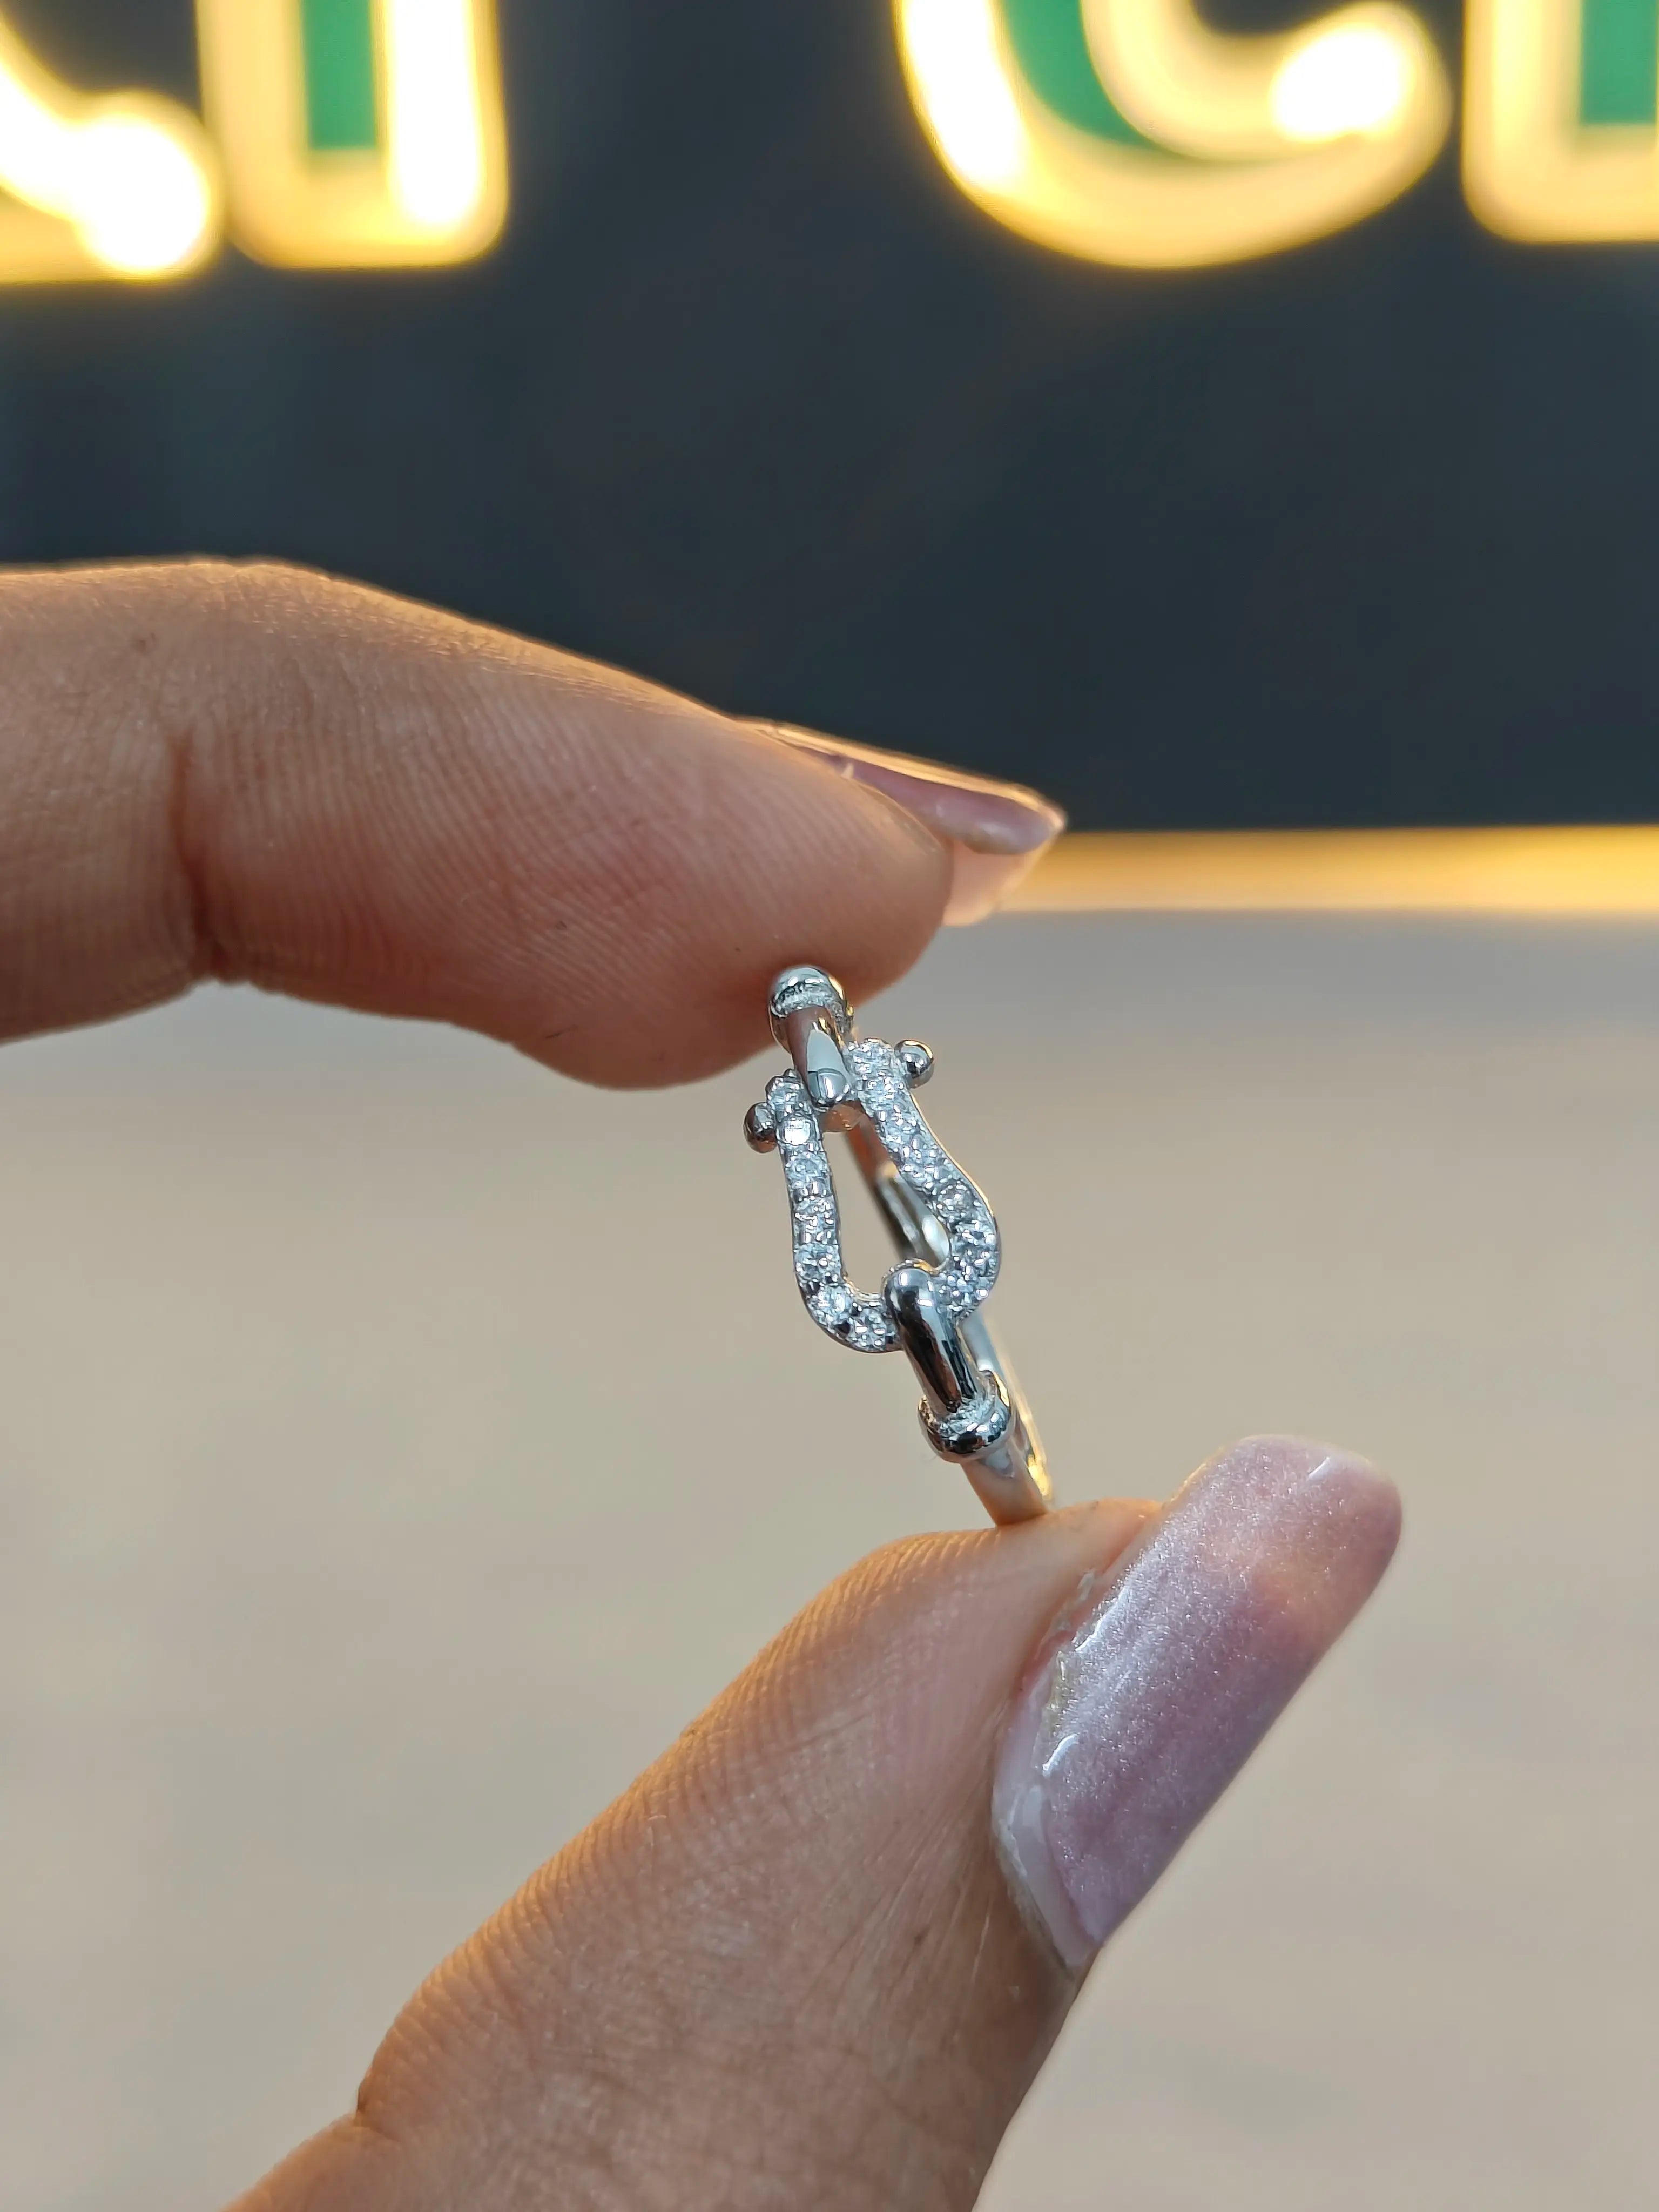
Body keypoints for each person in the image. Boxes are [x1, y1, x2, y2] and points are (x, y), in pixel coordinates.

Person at [3, 560, 1400, 2210]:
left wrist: (846, 1127)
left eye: (819, 1021)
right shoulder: (837, 1133)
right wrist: (825, 1139)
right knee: (955, 1368)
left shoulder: (868, 1122)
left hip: (932, 1276)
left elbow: (896, 1214)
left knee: (957, 1347)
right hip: (925, 1291)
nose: (811, 1028)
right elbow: (845, 1251)